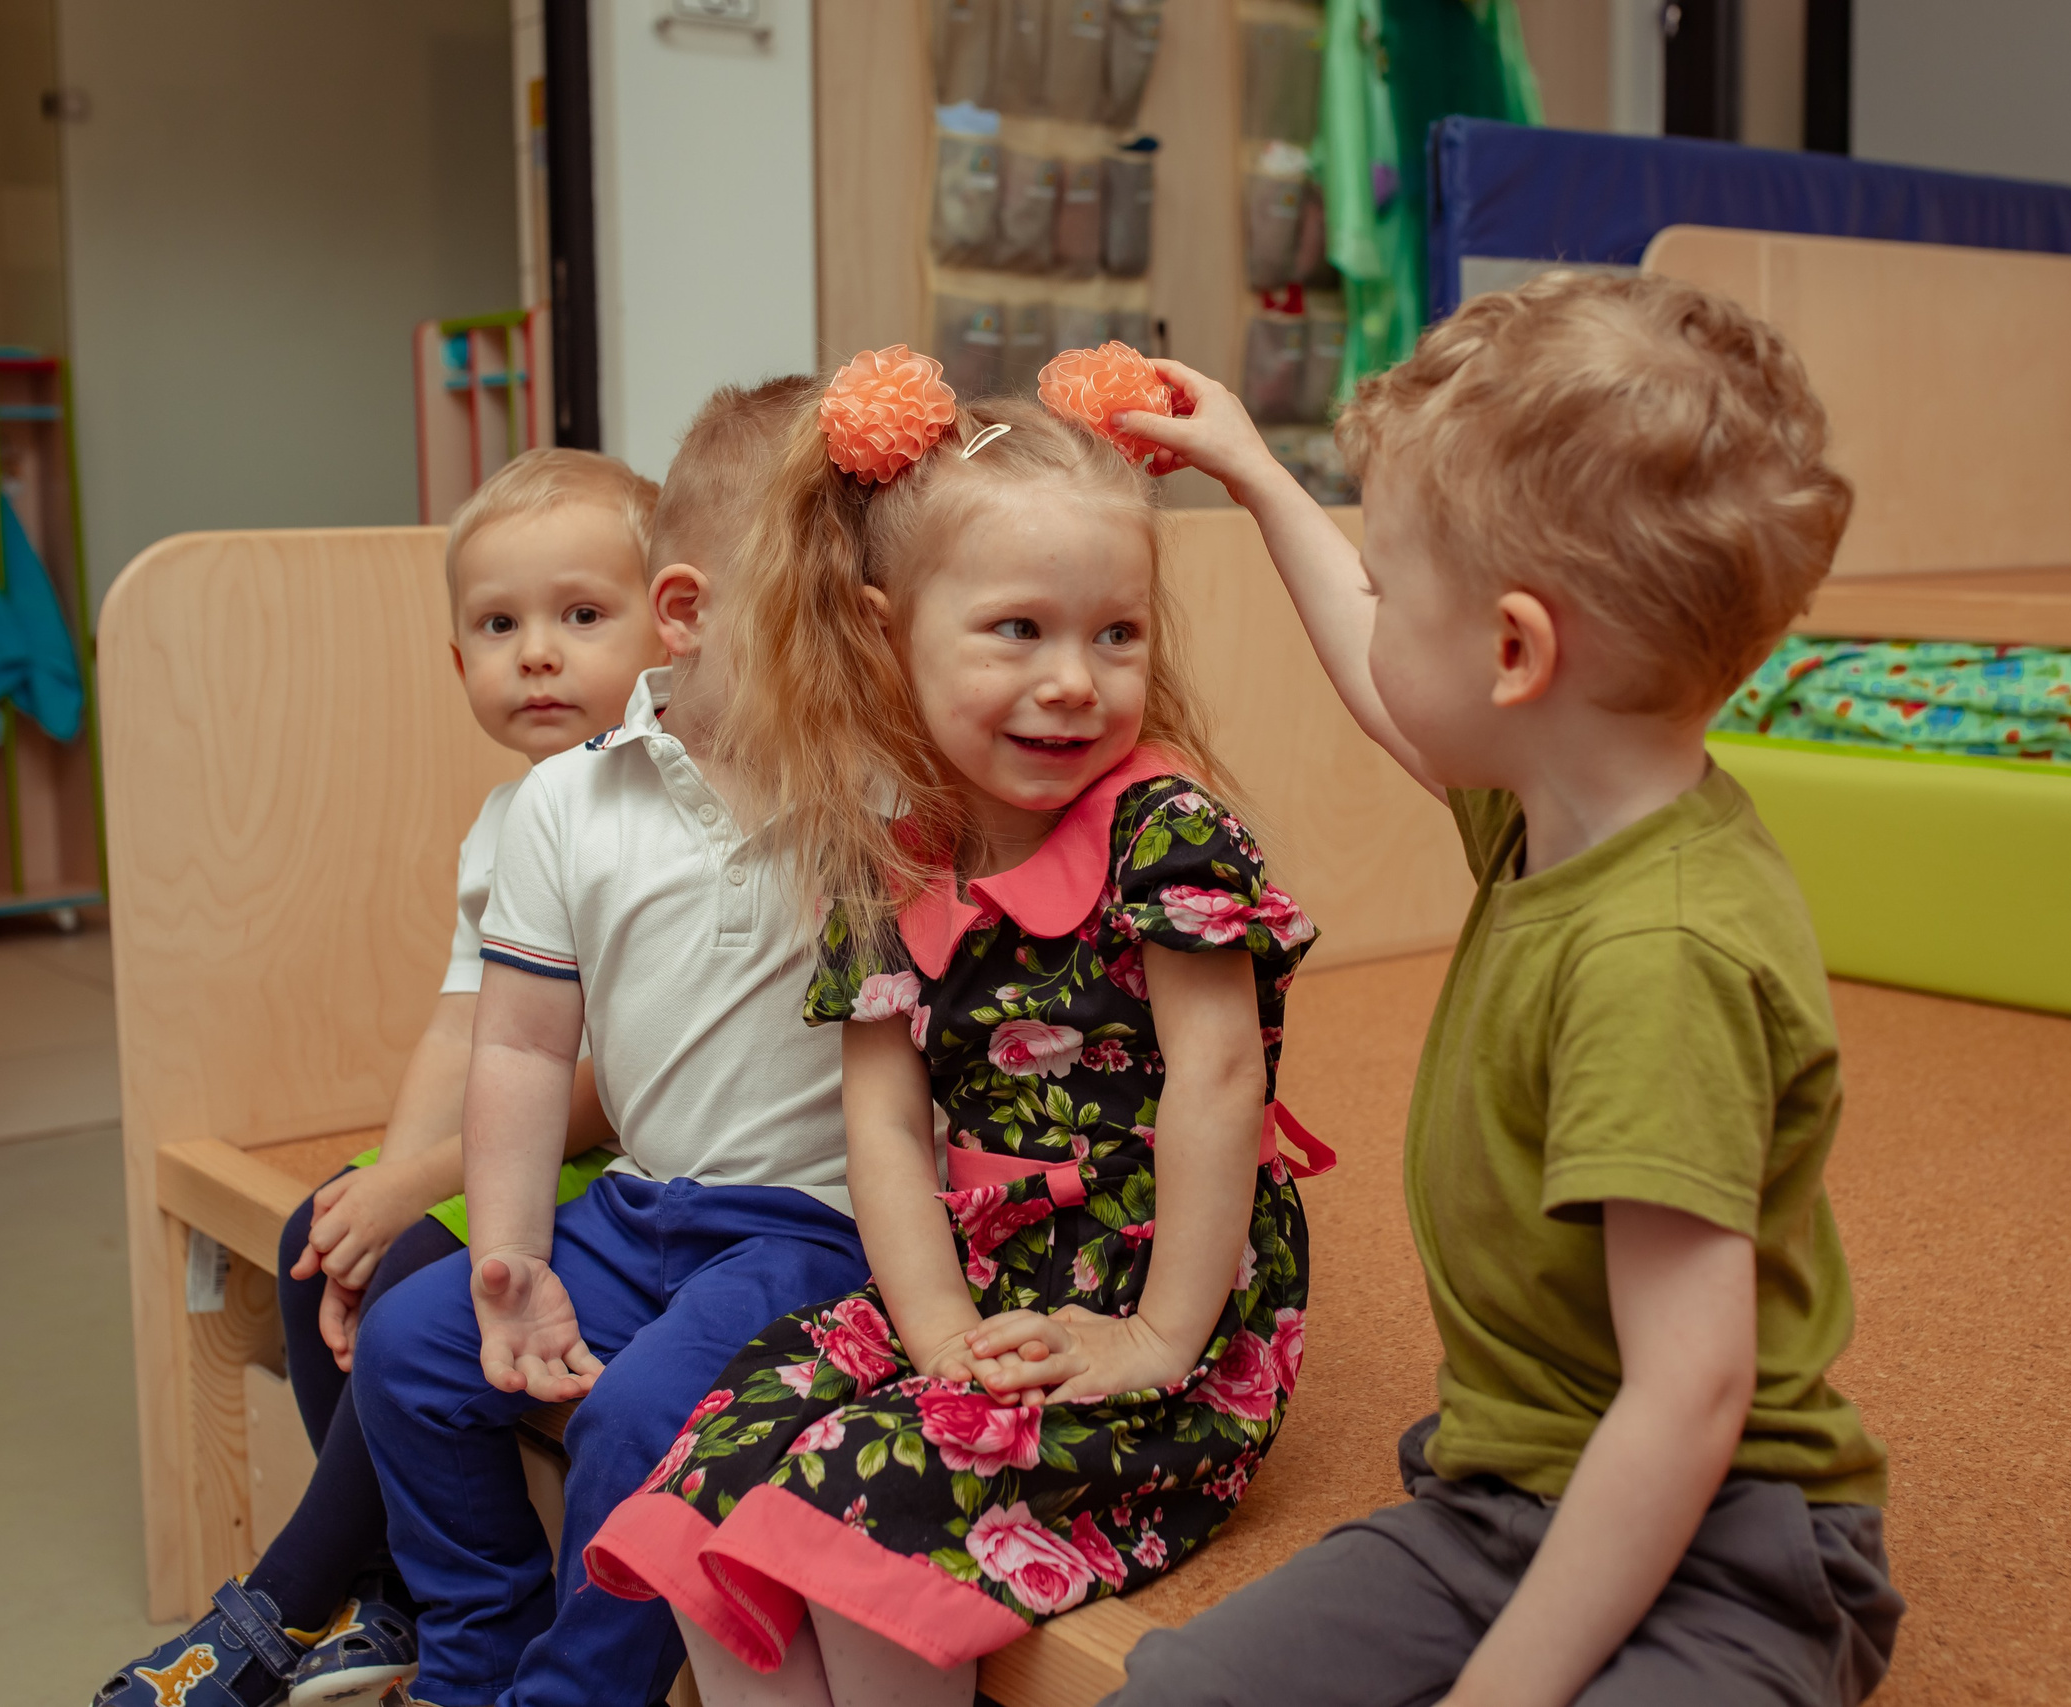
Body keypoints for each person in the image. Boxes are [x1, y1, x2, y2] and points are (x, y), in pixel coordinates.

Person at [1097, 272, 1905, 1706]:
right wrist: (1252, 468)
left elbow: (1689, 1391)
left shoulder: (1660, 953)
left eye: (1396, 577)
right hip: (1502, 1495)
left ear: (1516, 653)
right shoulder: (1556, 794)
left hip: (1737, 1541)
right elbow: (1380, 663)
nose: (1376, 607)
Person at [587, 346, 1325, 1707]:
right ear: (886, 631)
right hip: (974, 1279)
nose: (1075, 681)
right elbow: (881, 1114)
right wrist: (931, 1334)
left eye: (1117, 633)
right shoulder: (889, 857)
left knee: (868, 1523)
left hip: (1161, 1290)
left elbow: (1219, 1076)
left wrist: (1159, 1338)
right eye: (1018, 631)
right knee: (709, 1469)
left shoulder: (1168, 831)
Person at [94, 446, 663, 1707]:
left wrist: (425, 1189)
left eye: (581, 616)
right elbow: (467, 1026)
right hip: (517, 1141)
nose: (536, 653)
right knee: (326, 1240)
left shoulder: (657, 807)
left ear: (670, 622)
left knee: (409, 1258)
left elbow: (628, 1080)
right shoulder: (512, 816)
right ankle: (396, 1592)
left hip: (633, 1167)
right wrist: (381, 1181)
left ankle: (292, 1599)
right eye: (498, 626)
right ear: (457, 662)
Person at [349, 375, 882, 1707]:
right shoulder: (567, 802)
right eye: (829, 616)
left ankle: (578, 1691)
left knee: (646, 1415)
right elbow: (525, 1048)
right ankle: (476, 1640)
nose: (874, 646)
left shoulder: (887, 788)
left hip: (812, 1229)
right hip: (642, 1200)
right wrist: (515, 1249)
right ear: (687, 614)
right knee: (416, 1348)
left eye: (886, 611)